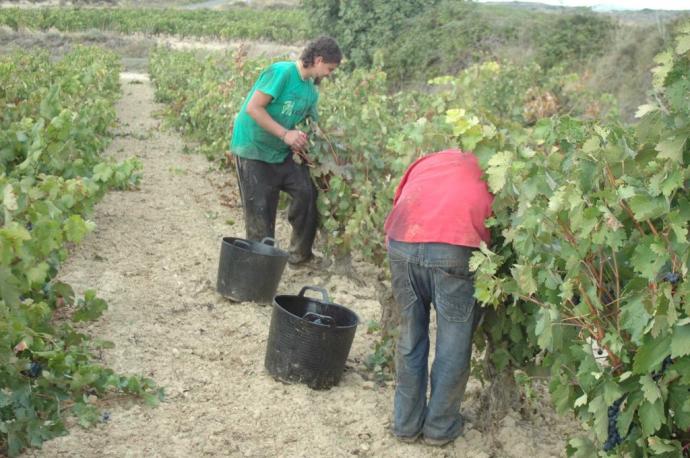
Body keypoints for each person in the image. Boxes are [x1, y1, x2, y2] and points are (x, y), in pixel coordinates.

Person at [383, 149, 493, 446]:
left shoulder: (426, 161)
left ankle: (405, 425)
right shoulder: (492, 170)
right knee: (453, 342)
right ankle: (440, 428)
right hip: (455, 247)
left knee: (410, 337)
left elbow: (399, 200)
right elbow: (498, 230)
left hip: (403, 241)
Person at [229, 36, 342, 265]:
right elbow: (253, 108)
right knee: (261, 212)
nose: (329, 74)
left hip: (280, 153)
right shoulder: (281, 72)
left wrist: (320, 144)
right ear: (318, 60)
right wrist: (285, 134)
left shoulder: (311, 92)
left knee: (307, 194)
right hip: (253, 149)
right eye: (329, 68)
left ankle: (300, 256)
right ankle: (259, 266)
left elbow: (313, 126)